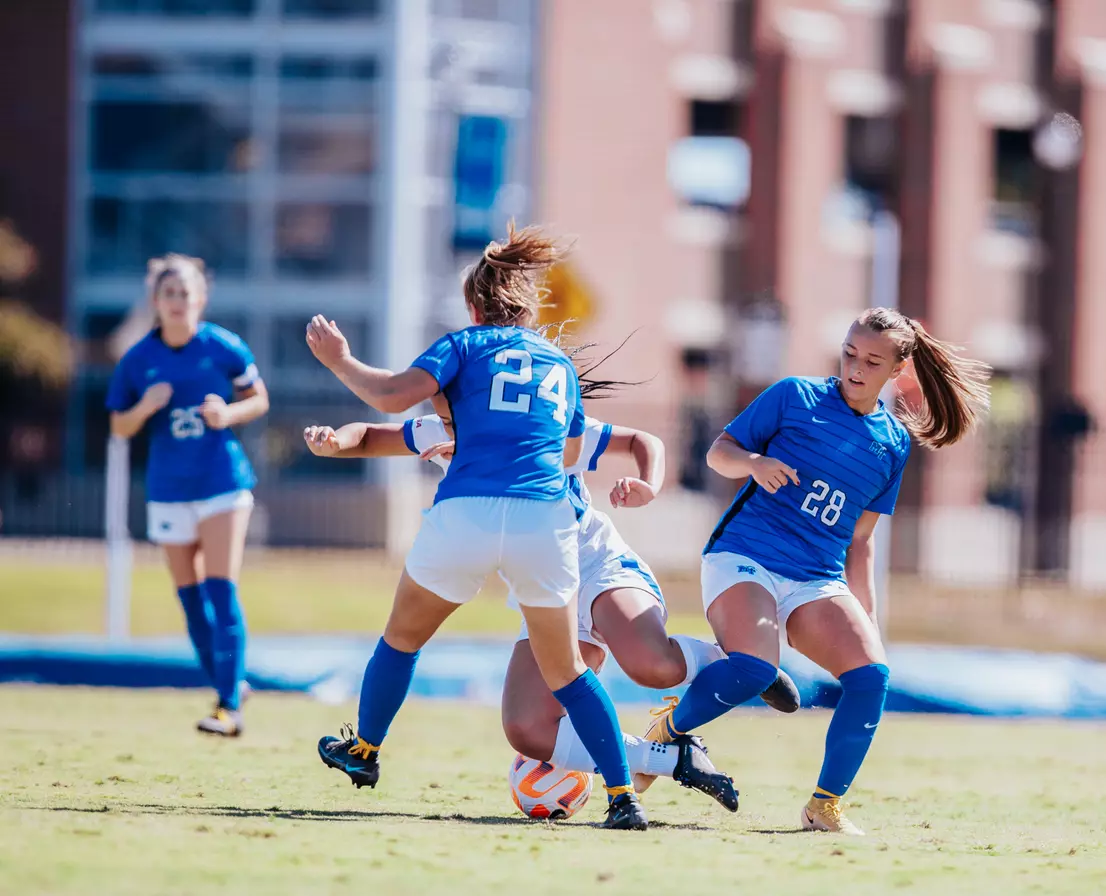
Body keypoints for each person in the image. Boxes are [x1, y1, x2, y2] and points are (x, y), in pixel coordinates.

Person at [303, 224, 647, 830]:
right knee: (566, 670)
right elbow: (566, 455)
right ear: (527, 307)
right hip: (544, 517)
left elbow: (388, 399)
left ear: (474, 305)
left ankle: (365, 752)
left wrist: (340, 360)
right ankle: (624, 798)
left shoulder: (464, 345)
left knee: (402, 638)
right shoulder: (560, 366)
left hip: (469, 509)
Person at [301, 398, 802, 812]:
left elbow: (638, 441)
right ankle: (675, 761)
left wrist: (648, 483)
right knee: (526, 728)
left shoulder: (544, 414)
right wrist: (332, 441)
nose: (444, 409)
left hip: (597, 566)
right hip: (542, 588)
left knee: (653, 667)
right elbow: (370, 434)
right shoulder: (439, 424)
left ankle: (734, 663)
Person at [640, 306, 989, 834]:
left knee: (872, 677)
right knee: (755, 669)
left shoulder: (892, 443)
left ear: (896, 371)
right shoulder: (794, 395)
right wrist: (753, 464)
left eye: (872, 361)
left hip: (817, 578)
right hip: (745, 556)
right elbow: (720, 453)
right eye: (850, 353)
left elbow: (862, 540)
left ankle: (823, 806)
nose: (855, 367)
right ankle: (667, 731)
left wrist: (864, 611)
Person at [106, 254, 269, 738]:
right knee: (191, 601)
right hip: (169, 490)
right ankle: (232, 685)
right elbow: (118, 425)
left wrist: (228, 414)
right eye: (169, 293)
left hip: (222, 483)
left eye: (186, 293)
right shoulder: (139, 360)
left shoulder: (222, 346)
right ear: (155, 301)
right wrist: (144, 407)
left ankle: (227, 708)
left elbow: (258, 400)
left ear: (201, 298)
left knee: (221, 590)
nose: (178, 302)